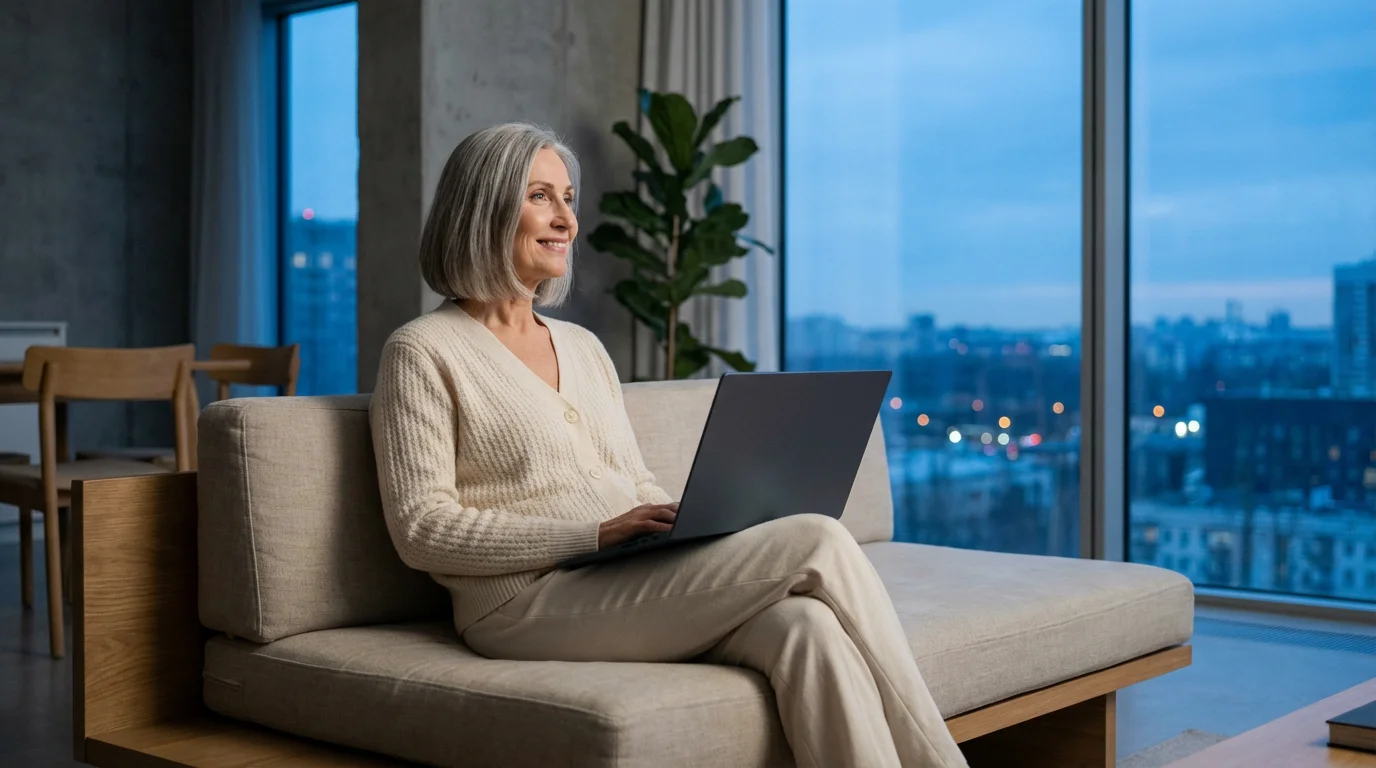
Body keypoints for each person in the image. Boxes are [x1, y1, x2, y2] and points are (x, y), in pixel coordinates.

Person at [369, 122, 969, 768]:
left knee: (806, 628)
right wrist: (594, 534)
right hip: (522, 603)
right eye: (541, 196)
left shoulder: (582, 348)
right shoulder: (422, 351)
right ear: (482, 207)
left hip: (620, 573)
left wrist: (681, 524)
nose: (566, 219)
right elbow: (422, 529)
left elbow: (632, 478)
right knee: (818, 538)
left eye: (569, 198)